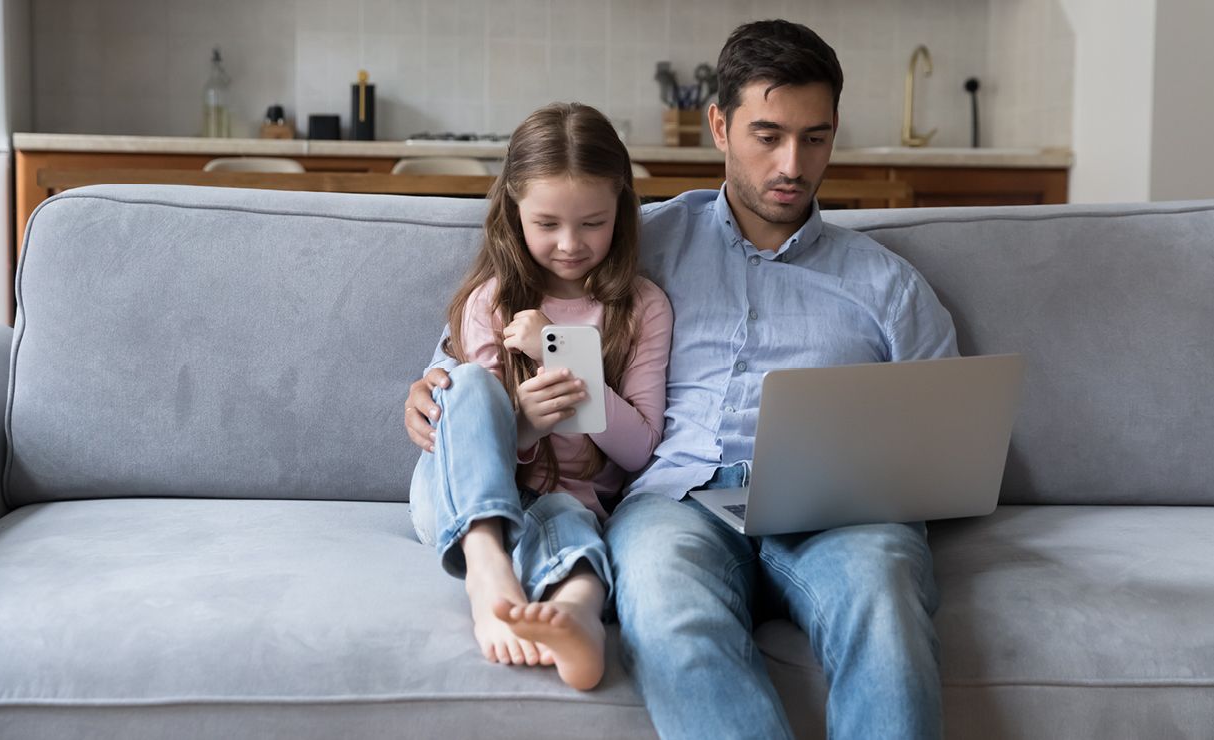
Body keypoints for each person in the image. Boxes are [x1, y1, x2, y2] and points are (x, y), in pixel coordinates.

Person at [407, 20, 956, 739]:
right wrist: (437, 382)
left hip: (838, 511)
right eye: (768, 135)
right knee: (665, 602)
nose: (793, 162)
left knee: (884, 591)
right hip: (679, 500)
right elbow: (510, 305)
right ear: (719, 125)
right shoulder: (637, 243)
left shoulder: (888, 286)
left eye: (814, 137)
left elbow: (947, 437)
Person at [406, 103, 673, 692]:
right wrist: (522, 425)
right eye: (547, 223)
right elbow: (470, 428)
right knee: (470, 383)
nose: (570, 244)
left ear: (622, 214)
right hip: (457, 495)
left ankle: (577, 616)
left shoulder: (642, 307)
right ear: (514, 211)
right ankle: (485, 562)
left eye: (593, 223)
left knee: (574, 528)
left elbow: (641, 452)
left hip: (568, 497)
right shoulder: (491, 301)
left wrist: (566, 361)